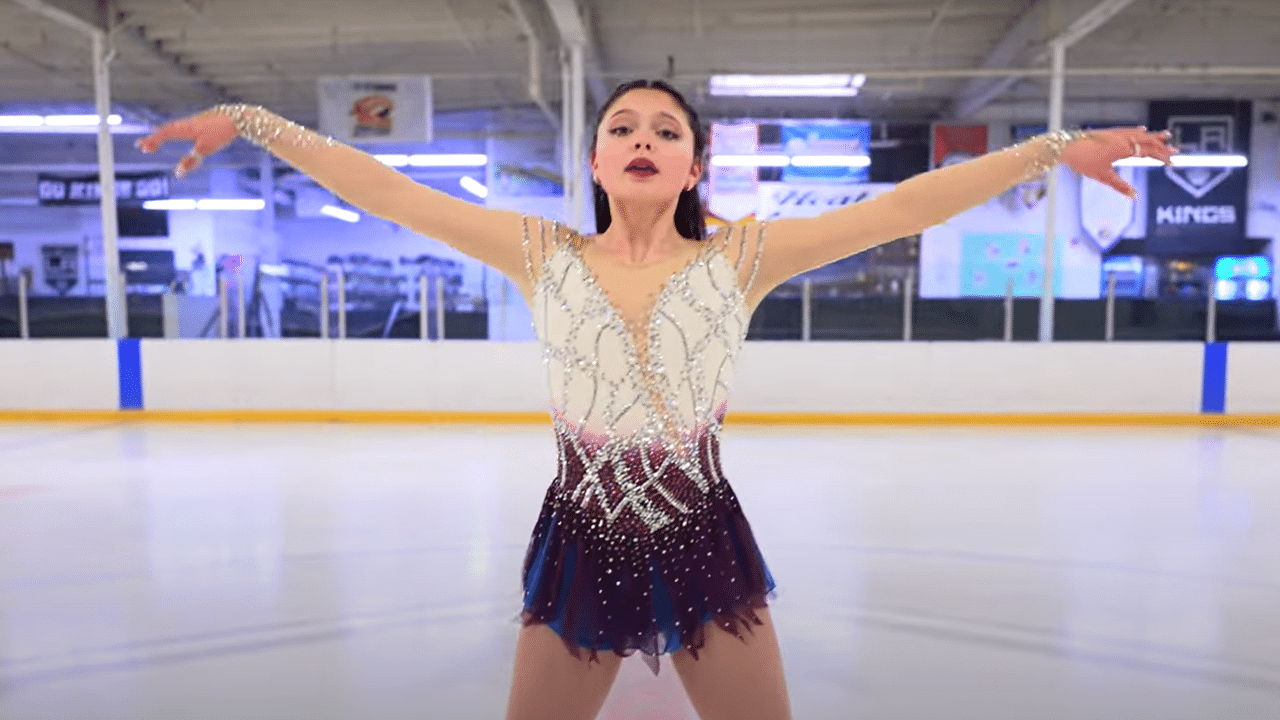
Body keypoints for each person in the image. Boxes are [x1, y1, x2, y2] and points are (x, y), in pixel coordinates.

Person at [137, 79, 1176, 720]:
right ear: (594, 160)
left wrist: (1048, 151)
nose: (643, 137)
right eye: (622, 126)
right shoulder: (538, 252)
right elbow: (392, 192)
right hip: (580, 537)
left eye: (666, 130)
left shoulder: (745, 256)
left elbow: (905, 204)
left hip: (701, 537)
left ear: (689, 166)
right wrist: (247, 119)